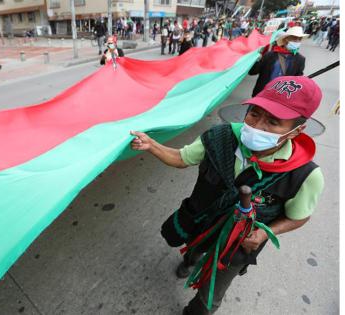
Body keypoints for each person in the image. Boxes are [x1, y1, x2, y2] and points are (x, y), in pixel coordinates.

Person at [130, 75, 324, 315]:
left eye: (273, 122)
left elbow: (299, 217)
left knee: (211, 296)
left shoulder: (305, 175)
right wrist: (152, 145)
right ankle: (190, 259)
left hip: (238, 243)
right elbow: (181, 158)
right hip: (200, 221)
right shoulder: (220, 137)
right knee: (194, 247)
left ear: (296, 130)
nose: (257, 126)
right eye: (254, 114)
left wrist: (264, 233)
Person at [248, 26, 307, 97]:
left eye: (299, 39)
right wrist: (257, 59)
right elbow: (252, 72)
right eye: (294, 38)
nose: (297, 41)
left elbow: (297, 80)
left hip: (280, 98)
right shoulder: (269, 55)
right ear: (286, 40)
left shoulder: (300, 59)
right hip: (261, 94)